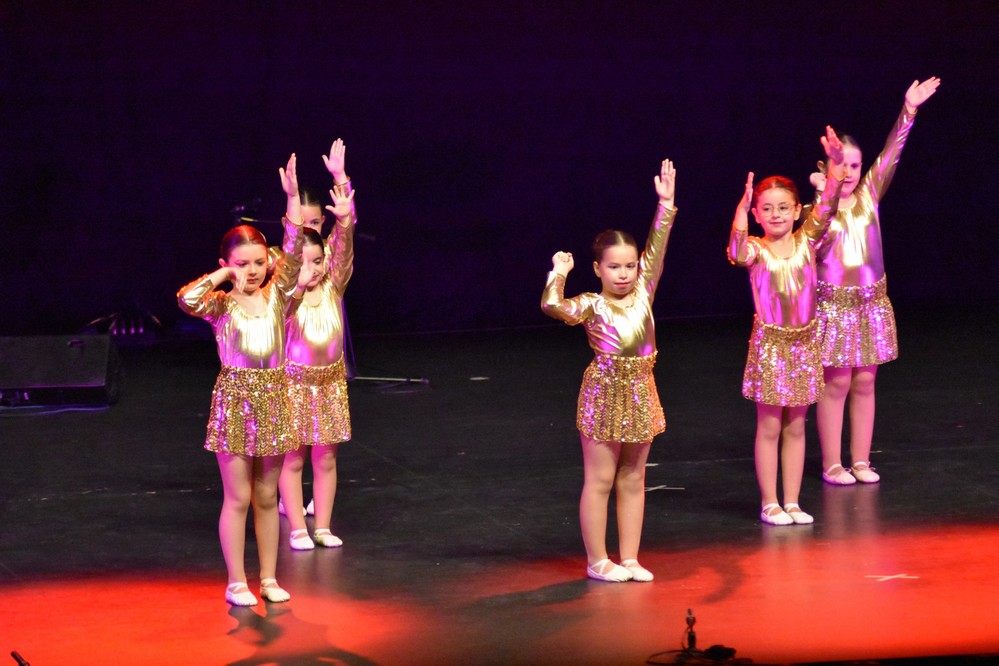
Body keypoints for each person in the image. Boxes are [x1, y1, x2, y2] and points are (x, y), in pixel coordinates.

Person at [177, 154, 307, 606]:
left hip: (273, 397)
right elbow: (187, 299)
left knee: (267, 497)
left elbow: (291, 255)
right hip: (235, 400)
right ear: (228, 265)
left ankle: (268, 578)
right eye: (242, 264)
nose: (251, 271)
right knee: (238, 497)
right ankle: (236, 581)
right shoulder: (221, 304)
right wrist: (220, 277)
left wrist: (291, 200)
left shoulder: (277, 298)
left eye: (256, 263)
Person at [542, 159, 677, 582]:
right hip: (604, 391)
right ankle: (599, 559)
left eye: (631, 265)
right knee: (601, 480)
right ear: (598, 268)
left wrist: (666, 205)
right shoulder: (590, 303)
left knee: (633, 478)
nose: (624, 273)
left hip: (641, 388)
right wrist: (557, 276)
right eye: (614, 266)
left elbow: (658, 244)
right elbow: (553, 307)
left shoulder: (644, 293)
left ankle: (631, 557)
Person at [807, 78, 941, 486]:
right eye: (840, 164)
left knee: (865, 380)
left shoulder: (868, 195)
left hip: (870, 303)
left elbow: (892, 153)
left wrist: (908, 111)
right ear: (825, 166)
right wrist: (827, 184)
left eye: (853, 165)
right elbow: (820, 222)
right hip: (834, 306)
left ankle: (860, 460)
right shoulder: (820, 205)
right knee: (838, 382)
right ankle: (833, 462)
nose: (848, 172)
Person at [727, 127, 846, 526]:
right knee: (771, 424)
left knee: (797, 424)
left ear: (798, 211)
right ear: (757, 213)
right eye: (767, 208)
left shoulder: (807, 241)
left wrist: (834, 167)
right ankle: (769, 502)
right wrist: (740, 213)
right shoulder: (757, 250)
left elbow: (828, 204)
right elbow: (736, 251)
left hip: (805, 343)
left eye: (783, 207)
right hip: (771, 346)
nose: (775, 214)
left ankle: (792, 501)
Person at [278, 139, 356, 550]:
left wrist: (342, 191)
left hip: (329, 384)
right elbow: (291, 258)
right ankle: (295, 527)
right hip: (293, 384)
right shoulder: (286, 294)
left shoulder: (334, 284)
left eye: (319, 260)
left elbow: (343, 249)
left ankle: (321, 525)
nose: (312, 268)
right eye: (304, 261)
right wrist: (292, 201)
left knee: (326, 457)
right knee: (293, 458)